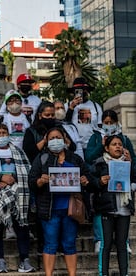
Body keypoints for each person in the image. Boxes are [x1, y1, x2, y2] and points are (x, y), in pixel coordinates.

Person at [28, 127, 95, 276]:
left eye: (58, 137)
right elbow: (31, 182)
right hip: (50, 210)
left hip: (70, 209)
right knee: (50, 244)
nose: (55, 140)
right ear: (46, 141)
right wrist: (40, 181)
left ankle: (72, 274)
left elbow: (89, 179)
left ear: (65, 139)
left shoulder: (75, 158)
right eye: (51, 138)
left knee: (69, 243)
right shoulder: (41, 158)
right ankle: (48, 274)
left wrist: (85, 181)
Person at [0, 123, 35, 273]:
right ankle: (0, 260)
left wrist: (11, 178)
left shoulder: (18, 151)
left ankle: (24, 260)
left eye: (4, 132)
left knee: (22, 225)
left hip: (18, 193)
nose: (1, 136)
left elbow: (27, 172)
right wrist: (0, 177)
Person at [85, 109, 135, 254]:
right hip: (102, 177)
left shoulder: (123, 139)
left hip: (121, 177)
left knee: (122, 210)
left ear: (116, 123)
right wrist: (101, 145)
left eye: (111, 123)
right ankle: (99, 239)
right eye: (106, 123)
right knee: (100, 209)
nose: (109, 125)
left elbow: (133, 158)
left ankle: (124, 241)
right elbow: (89, 157)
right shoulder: (95, 137)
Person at [90, 135, 136, 276]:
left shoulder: (128, 163)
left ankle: (124, 273)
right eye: (114, 144)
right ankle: (103, 273)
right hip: (106, 210)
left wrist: (131, 165)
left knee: (122, 244)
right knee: (106, 244)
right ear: (106, 148)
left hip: (124, 209)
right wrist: (100, 182)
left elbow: (134, 180)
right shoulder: (99, 163)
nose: (118, 147)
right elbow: (90, 185)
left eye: (120, 144)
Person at [65, 77, 102, 152]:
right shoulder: (66, 106)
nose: (81, 92)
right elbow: (65, 124)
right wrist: (71, 108)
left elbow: (100, 127)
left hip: (91, 146)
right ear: (74, 92)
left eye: (83, 89)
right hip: (74, 145)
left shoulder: (96, 106)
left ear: (87, 91)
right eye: (78, 90)